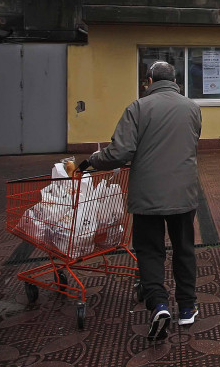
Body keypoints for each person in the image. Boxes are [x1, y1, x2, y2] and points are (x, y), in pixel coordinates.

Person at [81, 61, 202, 341]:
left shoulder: (137, 107)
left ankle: (159, 303)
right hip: (184, 193)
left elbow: (119, 152)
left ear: (148, 80)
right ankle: (187, 307)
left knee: (149, 250)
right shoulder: (192, 108)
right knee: (184, 249)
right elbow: (191, 141)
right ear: (175, 80)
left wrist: (92, 161)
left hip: (147, 194)